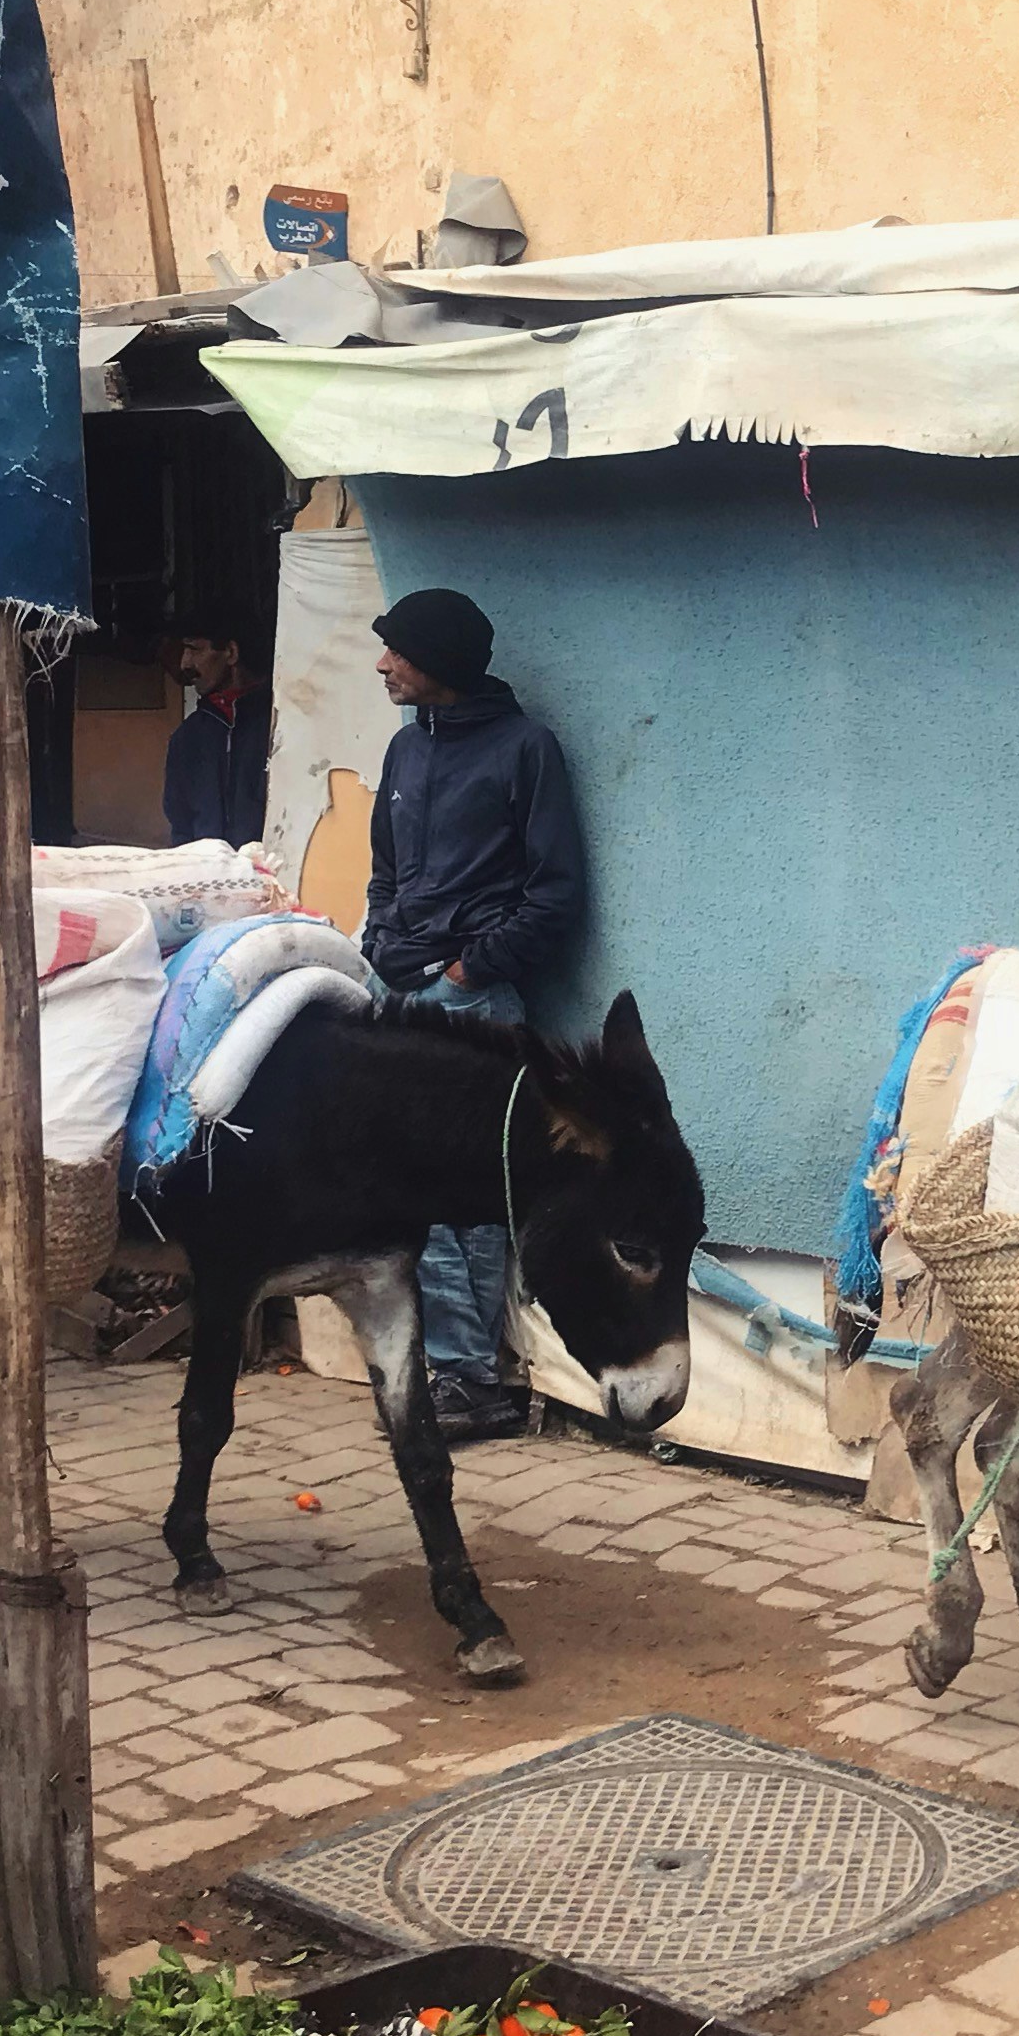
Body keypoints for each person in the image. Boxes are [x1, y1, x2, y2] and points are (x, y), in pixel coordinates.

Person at [363, 586, 585, 1442]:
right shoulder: (403, 748)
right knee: (406, 1186)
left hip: (473, 1002)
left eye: (398, 651)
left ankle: (472, 1380)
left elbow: (554, 892)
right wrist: (381, 942)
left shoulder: (525, 749)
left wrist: (468, 968)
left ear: (440, 662)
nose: (382, 665)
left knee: (466, 1193)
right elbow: (386, 872)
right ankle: (435, 1370)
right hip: (398, 992)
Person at [164, 615, 272, 847]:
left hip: (270, 865)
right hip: (204, 867)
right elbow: (180, 825)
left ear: (231, 653)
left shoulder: (277, 725)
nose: (185, 664)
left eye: (194, 650)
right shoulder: (187, 737)